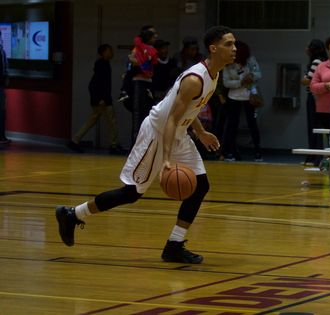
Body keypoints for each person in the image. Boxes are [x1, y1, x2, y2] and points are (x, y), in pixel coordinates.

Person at [54, 26, 236, 264]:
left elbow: (192, 108)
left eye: (234, 44)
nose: (234, 49)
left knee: (200, 186)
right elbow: (171, 118)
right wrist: (168, 159)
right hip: (158, 133)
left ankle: (174, 245)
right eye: (229, 44)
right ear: (214, 48)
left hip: (178, 132)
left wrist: (200, 131)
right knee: (131, 193)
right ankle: (72, 214)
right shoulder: (195, 79)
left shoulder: (214, 74)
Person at [68, 44, 124, 155]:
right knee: (111, 122)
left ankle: (75, 140)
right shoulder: (102, 65)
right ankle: (113, 145)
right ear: (103, 52)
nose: (112, 52)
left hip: (100, 99)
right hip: (103, 100)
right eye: (109, 50)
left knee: (92, 120)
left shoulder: (103, 64)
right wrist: (101, 98)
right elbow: (97, 84)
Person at [222, 41, 262, 162]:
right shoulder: (228, 64)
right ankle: (231, 152)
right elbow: (226, 82)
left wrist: (252, 77)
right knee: (232, 126)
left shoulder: (250, 61)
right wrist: (240, 82)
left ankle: (258, 152)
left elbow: (259, 74)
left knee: (252, 124)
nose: (233, 52)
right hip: (234, 97)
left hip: (249, 96)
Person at [128, 25, 159, 143]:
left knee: (147, 113)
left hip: (148, 82)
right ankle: (135, 144)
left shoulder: (151, 50)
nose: (156, 36)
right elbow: (131, 63)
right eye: (153, 35)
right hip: (138, 83)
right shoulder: (137, 49)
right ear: (148, 36)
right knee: (137, 114)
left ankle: (145, 143)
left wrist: (139, 63)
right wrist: (140, 64)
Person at [301, 39, 328, 166]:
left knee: (314, 127)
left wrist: (304, 78)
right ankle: (315, 157)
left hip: (314, 97)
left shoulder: (316, 61)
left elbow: (307, 81)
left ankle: (315, 157)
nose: (306, 48)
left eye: (308, 46)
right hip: (321, 98)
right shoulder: (325, 61)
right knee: (319, 128)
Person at [151, 39, 176, 103]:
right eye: (162, 48)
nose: (165, 51)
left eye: (166, 48)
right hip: (155, 97)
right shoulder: (152, 63)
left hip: (169, 95)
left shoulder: (172, 62)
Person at [0, 37, 10, 146]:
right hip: (0, 86)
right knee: (1, 111)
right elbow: (4, 69)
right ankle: (1, 137)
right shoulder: (1, 51)